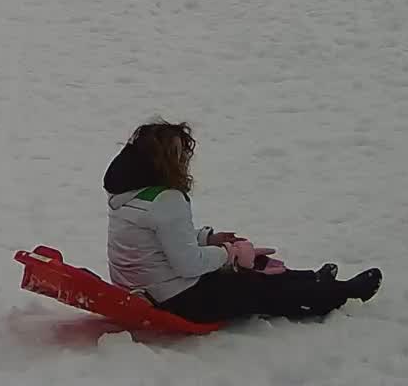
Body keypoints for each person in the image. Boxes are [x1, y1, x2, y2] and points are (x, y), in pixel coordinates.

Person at [105, 121, 380, 325]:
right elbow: (187, 264)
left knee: (252, 268)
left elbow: (159, 239)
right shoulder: (167, 200)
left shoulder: (129, 195)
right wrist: (227, 254)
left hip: (146, 288)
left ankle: (313, 279)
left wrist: (208, 239)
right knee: (257, 286)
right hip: (178, 299)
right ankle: (340, 294)